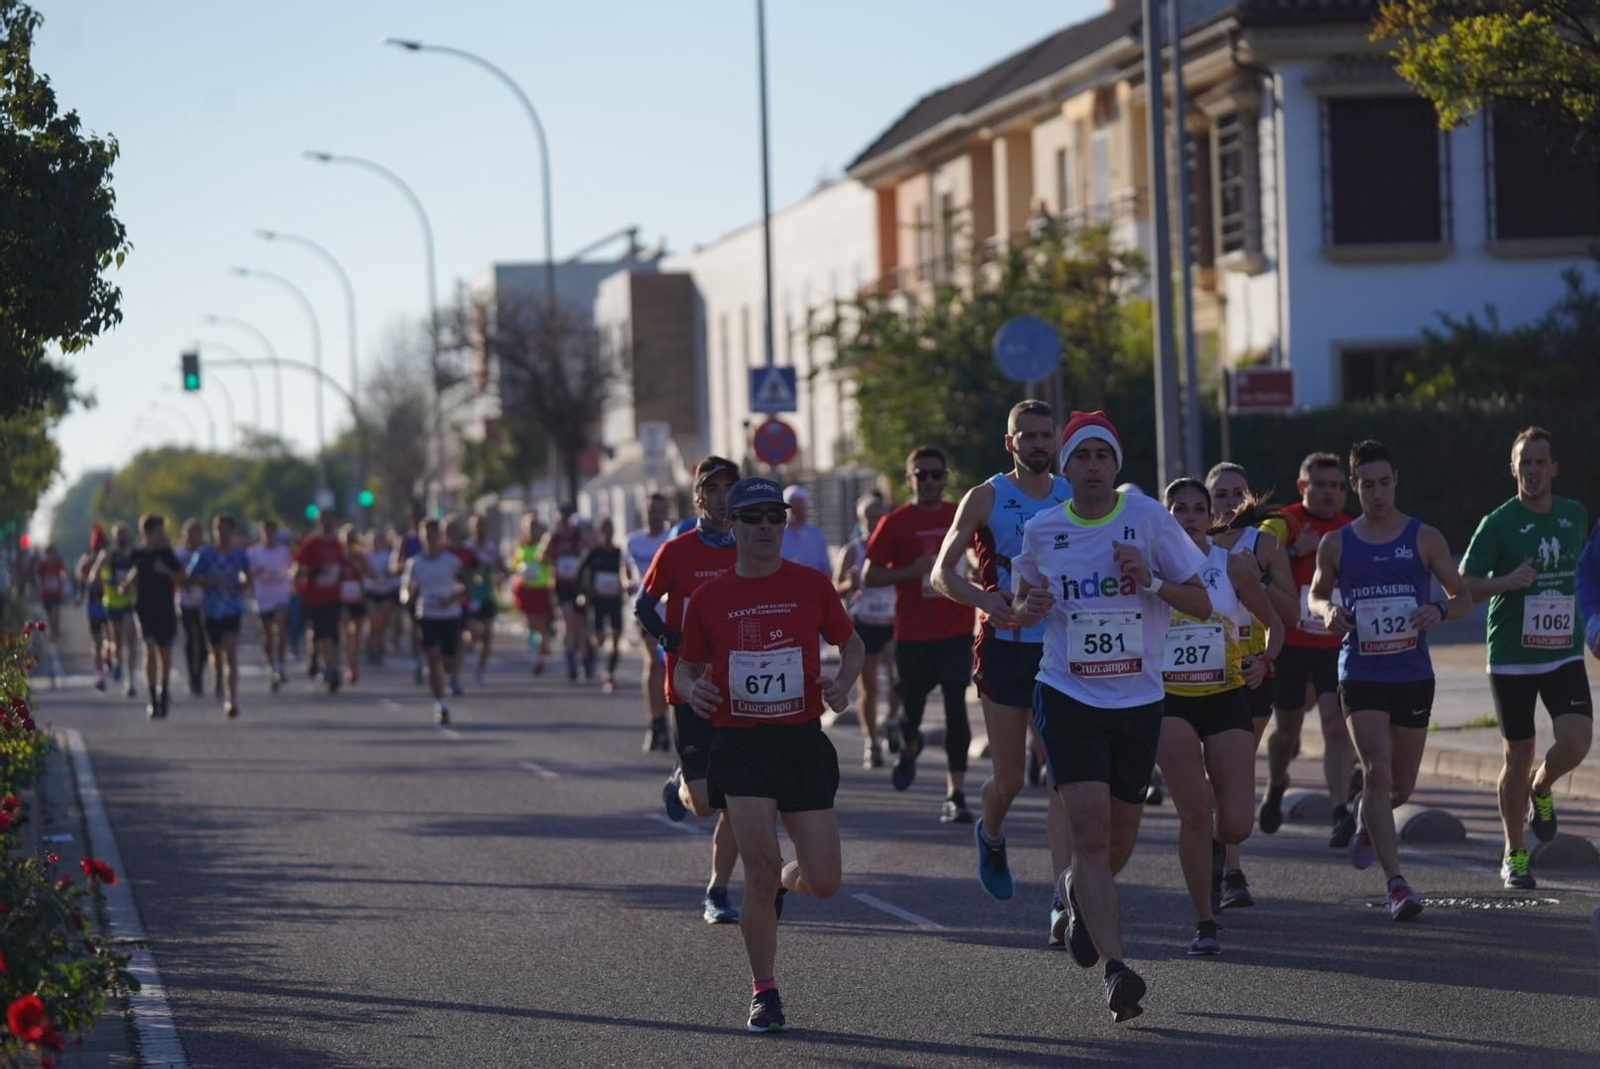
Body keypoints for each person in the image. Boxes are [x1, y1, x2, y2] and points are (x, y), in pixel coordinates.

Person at [1011, 411, 1211, 1023]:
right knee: (1092, 833)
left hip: (1139, 699)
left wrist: (1148, 578)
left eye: (1103, 456)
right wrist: (1030, 605)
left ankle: (1076, 891)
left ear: (1115, 465)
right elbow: (1019, 606)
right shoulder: (1044, 530)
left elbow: (1200, 602)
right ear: (1065, 468)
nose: (1092, 466)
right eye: (1082, 457)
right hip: (1067, 695)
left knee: (1119, 838)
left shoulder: (1147, 519)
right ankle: (1116, 970)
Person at [674, 476, 864, 1033]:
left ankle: (786, 879)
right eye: (752, 517)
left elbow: (851, 642)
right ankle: (765, 991)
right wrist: (691, 689)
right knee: (755, 875)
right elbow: (686, 667)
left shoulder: (811, 584)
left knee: (824, 880)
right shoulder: (710, 598)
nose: (764, 527)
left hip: (801, 742)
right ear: (730, 525)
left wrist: (842, 684)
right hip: (742, 745)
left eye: (774, 517)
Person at [1309, 439, 1470, 922]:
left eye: (1384, 483)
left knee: (1399, 787)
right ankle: (1396, 884)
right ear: (1354, 487)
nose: (1376, 494)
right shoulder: (1337, 542)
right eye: (1367, 485)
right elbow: (1315, 596)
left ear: (1395, 481)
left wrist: (1437, 609)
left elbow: (1462, 596)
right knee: (1377, 771)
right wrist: (1328, 611)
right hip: (1361, 671)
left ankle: (1367, 818)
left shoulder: (1424, 538)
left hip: (1412, 673)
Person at [931, 400, 1075, 909]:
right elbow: (941, 574)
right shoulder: (986, 496)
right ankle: (990, 832)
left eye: (1044, 434)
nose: (1037, 443)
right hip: (1006, 650)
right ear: (1009, 443)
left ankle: (1065, 901)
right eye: (1026, 435)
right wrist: (988, 601)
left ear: (1056, 440)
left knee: (1062, 779)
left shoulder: (1073, 495)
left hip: (1062, 651)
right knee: (1011, 779)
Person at [1459, 428, 1591, 888]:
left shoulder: (1575, 515)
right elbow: (1462, 587)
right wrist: (1506, 581)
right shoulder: (1497, 523)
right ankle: (1514, 852)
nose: (1533, 470)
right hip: (1513, 656)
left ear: (1554, 467)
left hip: (1563, 653)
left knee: (1576, 742)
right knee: (1517, 756)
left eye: (1541, 462)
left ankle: (1543, 786)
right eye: (1525, 463)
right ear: (1513, 469)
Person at [1157, 478, 1283, 953]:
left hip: (1226, 694)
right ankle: (1204, 922)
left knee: (1236, 825)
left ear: (1211, 516)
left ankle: (1215, 847)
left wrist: (1263, 662)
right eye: (1178, 508)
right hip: (1170, 700)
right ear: (1165, 517)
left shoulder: (1231, 566)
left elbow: (1276, 627)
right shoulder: (1150, 569)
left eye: (1196, 508)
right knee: (1194, 810)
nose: (1187, 516)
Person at [636, 456, 744, 924]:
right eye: (713, 489)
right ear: (699, 498)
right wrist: (668, 638)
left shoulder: (750, 548)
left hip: (740, 688)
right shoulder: (677, 551)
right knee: (703, 805)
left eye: (729, 489)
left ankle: (717, 892)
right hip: (687, 686)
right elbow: (644, 604)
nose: (723, 498)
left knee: (739, 798)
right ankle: (681, 779)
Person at [863, 445, 977, 822]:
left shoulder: (959, 514)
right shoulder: (895, 523)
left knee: (955, 706)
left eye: (935, 474)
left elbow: (980, 557)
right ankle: (909, 747)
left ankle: (955, 793)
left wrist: (976, 576)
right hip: (912, 634)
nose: (929, 481)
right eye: (920, 475)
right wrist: (912, 571)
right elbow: (869, 575)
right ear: (909, 479)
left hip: (956, 630)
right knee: (909, 710)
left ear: (945, 478)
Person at [1205, 463, 1298, 907]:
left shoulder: (1263, 544)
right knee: (1206, 775)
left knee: (1235, 769)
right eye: (1219, 494)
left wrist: (1254, 578)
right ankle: (1211, 849)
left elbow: (1292, 613)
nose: (1229, 502)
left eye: (1237, 493)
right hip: (1198, 673)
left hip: (1250, 669)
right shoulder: (1190, 544)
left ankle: (1231, 869)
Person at [1258, 453, 1358, 846]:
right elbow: (1254, 559)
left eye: (1336, 485)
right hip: (1292, 644)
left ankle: (1339, 812)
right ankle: (1276, 782)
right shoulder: (1283, 523)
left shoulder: (1351, 527)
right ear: (1303, 487)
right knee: (1287, 733)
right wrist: (1297, 551)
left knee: (1335, 725)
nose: (1329, 492)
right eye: (1320, 485)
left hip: (1336, 644)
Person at [833, 493, 901, 768]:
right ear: (860, 520)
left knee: (899, 681)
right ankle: (871, 743)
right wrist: (849, 585)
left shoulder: (896, 547)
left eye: (880, 517)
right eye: (870, 517)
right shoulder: (852, 550)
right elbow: (833, 588)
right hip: (863, 625)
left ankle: (892, 721)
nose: (875, 522)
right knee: (869, 689)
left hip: (893, 622)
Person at [186, 513, 251, 718]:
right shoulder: (205, 554)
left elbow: (248, 576)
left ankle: (231, 699)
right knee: (216, 652)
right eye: (218, 529)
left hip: (232, 608)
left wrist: (243, 584)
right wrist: (208, 581)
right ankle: (217, 678)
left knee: (230, 653)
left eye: (226, 529)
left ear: (233, 532)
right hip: (211, 609)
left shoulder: (240, 554)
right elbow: (189, 578)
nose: (222, 533)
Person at [120, 514, 184, 719]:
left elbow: (181, 578)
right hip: (144, 608)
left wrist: (165, 571)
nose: (160, 535)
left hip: (165, 607)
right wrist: (126, 584)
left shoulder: (167, 553)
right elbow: (134, 571)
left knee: (164, 654)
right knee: (148, 648)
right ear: (146, 533)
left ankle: (163, 691)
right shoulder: (138, 553)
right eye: (157, 532)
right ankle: (152, 698)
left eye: (161, 532)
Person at [402, 518, 465, 724]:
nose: (430, 539)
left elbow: (466, 585)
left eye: (434, 534)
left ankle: (450, 678)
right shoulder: (415, 563)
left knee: (447, 663)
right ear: (421, 537)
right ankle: (441, 704)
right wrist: (407, 598)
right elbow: (407, 589)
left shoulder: (451, 561)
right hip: (428, 615)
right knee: (431, 656)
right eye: (426, 534)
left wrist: (451, 599)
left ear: (440, 537)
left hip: (449, 615)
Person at [627, 494, 674, 751]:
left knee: (671, 667)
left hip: (673, 611)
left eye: (659, 510)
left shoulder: (673, 537)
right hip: (646, 610)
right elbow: (626, 570)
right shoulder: (633, 540)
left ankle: (667, 718)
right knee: (654, 664)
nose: (654, 515)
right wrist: (627, 585)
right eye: (650, 510)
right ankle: (656, 721)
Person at [294, 512, 347, 694]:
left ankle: (333, 670)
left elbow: (344, 565)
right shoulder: (311, 544)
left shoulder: (338, 544)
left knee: (331, 634)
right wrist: (313, 572)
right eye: (324, 521)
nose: (327, 525)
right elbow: (300, 568)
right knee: (317, 634)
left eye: (330, 521)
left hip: (333, 596)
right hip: (314, 597)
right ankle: (315, 658)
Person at [543, 504, 592, 682]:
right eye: (561, 518)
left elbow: (589, 549)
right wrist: (554, 558)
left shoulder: (578, 534)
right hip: (562, 585)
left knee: (581, 626)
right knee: (569, 623)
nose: (564, 522)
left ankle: (585, 659)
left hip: (578, 585)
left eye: (567, 518)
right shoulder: (553, 537)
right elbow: (543, 556)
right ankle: (571, 660)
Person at [92, 523, 139, 697]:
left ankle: (130, 681)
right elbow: (93, 574)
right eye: (118, 534)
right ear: (113, 537)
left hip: (130, 603)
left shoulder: (134, 555)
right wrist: (99, 585)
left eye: (124, 533)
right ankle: (116, 661)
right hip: (111, 602)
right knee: (117, 643)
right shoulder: (108, 555)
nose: (121, 537)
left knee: (131, 641)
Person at [580, 517, 626, 693]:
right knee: (599, 640)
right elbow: (580, 572)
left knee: (615, 639)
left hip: (614, 601)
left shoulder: (618, 552)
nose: (607, 533)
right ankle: (588, 650)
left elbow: (625, 570)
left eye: (610, 529)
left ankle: (609, 674)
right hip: (598, 601)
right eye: (604, 530)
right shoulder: (593, 552)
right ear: (600, 533)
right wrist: (583, 593)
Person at [248, 518, 293, 692]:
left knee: (281, 629)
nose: (269, 535)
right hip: (263, 597)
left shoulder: (283, 551)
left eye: (272, 531)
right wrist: (255, 574)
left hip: (280, 594)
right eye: (265, 531)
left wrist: (287, 574)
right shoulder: (254, 552)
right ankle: (271, 666)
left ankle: (280, 664)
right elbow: (247, 574)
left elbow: (291, 568)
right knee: (267, 635)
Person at [463, 514, 504, 688]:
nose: (479, 529)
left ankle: (481, 670)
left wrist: (498, 572)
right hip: (469, 596)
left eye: (482, 525)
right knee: (473, 632)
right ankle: (466, 643)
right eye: (476, 525)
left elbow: (501, 567)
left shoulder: (491, 547)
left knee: (487, 637)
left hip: (486, 595)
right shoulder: (467, 547)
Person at [174, 519, 208, 698]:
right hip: (185, 602)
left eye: (197, 533)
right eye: (190, 533)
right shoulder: (179, 554)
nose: (194, 537)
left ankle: (199, 675)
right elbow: (178, 578)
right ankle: (192, 677)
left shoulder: (206, 553)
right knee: (190, 636)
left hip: (204, 602)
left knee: (203, 643)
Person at [338, 525, 377, 685]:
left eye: (351, 538)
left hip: (358, 598)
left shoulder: (361, 557)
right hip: (342, 599)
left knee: (356, 634)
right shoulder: (338, 556)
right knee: (346, 633)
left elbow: (373, 575)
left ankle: (354, 664)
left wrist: (361, 570)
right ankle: (349, 664)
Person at [77, 525, 111, 691]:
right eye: (98, 547)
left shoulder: (110, 560)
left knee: (111, 639)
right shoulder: (86, 563)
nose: (101, 550)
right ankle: (99, 675)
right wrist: (79, 596)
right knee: (97, 642)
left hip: (109, 605)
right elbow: (83, 583)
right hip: (93, 607)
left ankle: (109, 658)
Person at [363, 527, 401, 665]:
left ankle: (378, 648)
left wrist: (391, 572)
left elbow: (394, 571)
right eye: (374, 540)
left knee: (382, 623)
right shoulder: (366, 556)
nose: (376, 542)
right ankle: (371, 647)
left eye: (379, 540)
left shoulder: (389, 555)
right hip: (371, 593)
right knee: (374, 621)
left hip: (386, 593)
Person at [32, 544, 67, 684]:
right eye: (48, 554)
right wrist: (40, 585)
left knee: (55, 618)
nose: (50, 557)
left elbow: (63, 573)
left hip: (56, 595)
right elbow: (37, 576)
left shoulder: (58, 563)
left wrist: (62, 578)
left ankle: (55, 634)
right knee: (49, 619)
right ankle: (51, 638)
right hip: (46, 596)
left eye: (52, 554)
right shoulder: (42, 565)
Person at [779, 486, 831, 574]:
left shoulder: (816, 534)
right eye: (793, 502)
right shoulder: (778, 535)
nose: (797, 506)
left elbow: (826, 568)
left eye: (800, 502)